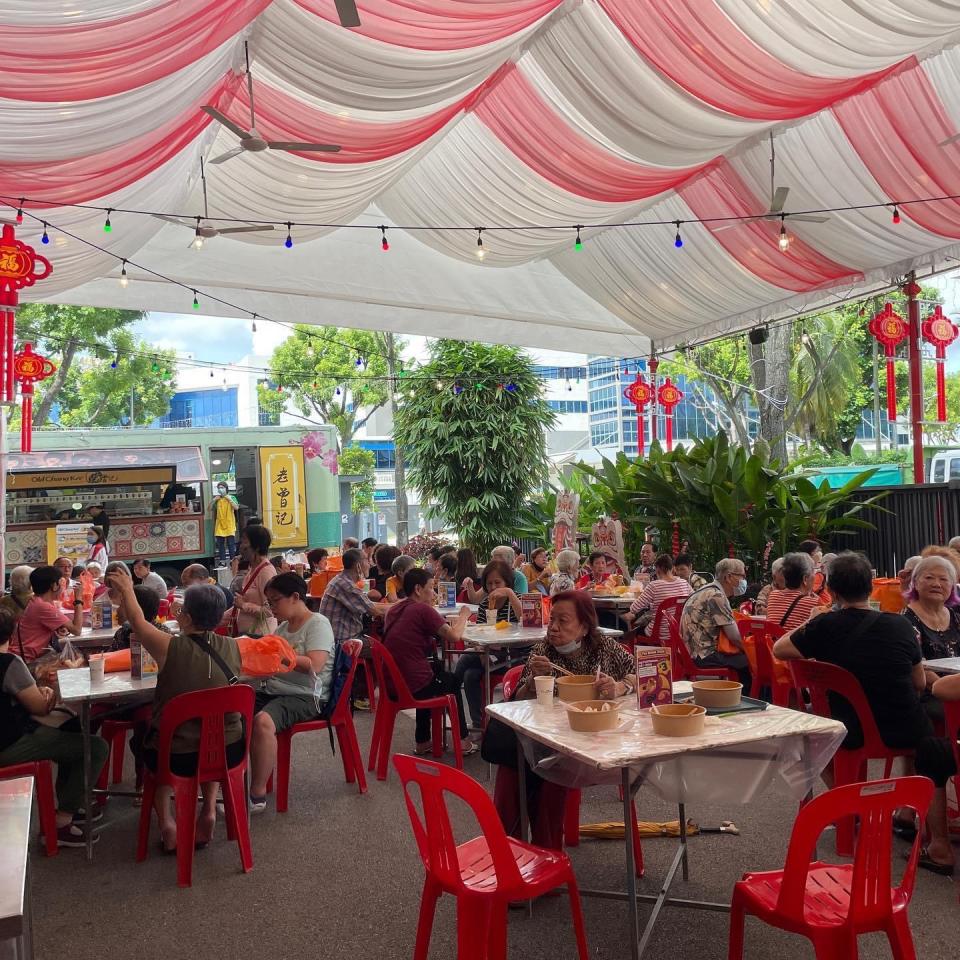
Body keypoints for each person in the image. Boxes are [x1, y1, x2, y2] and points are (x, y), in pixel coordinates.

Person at [772, 552, 949, 874]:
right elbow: (919, 682)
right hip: (905, 726)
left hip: (851, 728)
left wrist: (814, 618)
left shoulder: (825, 625)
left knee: (807, 744)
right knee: (930, 738)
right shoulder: (900, 626)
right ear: (871, 588)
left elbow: (780, 649)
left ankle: (852, 806)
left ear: (833, 591)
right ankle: (927, 832)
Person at [108, 574, 243, 853]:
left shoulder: (169, 647)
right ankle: (208, 810)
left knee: (149, 748)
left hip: (177, 758)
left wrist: (126, 590)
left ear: (187, 616)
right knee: (210, 739)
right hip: (228, 751)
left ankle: (168, 824)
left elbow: (138, 621)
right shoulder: (234, 647)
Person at [491, 591, 636, 849]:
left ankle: (546, 854)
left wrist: (620, 687)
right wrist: (534, 683)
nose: (554, 628)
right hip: (553, 740)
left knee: (547, 771)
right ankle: (509, 849)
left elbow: (642, 674)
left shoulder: (605, 647)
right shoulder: (543, 650)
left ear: (584, 626)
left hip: (601, 742)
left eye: (563, 621)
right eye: (552, 620)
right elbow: (518, 700)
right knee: (517, 770)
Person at [0, 607, 108, 847]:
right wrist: (48, 694)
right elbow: (39, 708)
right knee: (97, 747)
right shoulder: (8, 663)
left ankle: (71, 801)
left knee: (70, 730)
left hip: (9, 736)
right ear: (12, 632)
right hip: (10, 744)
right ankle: (61, 822)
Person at [248, 572, 336, 811]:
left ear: (295, 597)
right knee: (232, 713)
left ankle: (257, 795)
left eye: (275, 601)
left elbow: (315, 665)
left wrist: (278, 656)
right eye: (269, 602)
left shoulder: (318, 623)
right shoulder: (283, 628)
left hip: (306, 695)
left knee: (263, 722)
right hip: (276, 690)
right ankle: (230, 784)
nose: (271, 608)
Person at [382, 568, 476, 757]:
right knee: (451, 681)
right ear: (418, 589)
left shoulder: (395, 609)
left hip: (393, 683)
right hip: (412, 684)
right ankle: (463, 741)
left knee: (434, 674)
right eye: (431, 588)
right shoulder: (422, 609)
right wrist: (464, 615)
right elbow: (454, 635)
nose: (434, 594)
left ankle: (423, 741)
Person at [454, 560, 523, 732]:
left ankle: (451, 691)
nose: (493, 587)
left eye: (498, 583)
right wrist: (478, 648)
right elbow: (480, 633)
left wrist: (510, 594)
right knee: (470, 675)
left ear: (508, 582)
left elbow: (525, 619)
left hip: (513, 657)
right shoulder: (485, 604)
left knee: (464, 662)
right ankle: (479, 725)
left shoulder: (518, 600)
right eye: (489, 583)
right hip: (489, 654)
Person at [902, 555, 960, 725]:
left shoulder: (956, 616)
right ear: (916, 583)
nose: (937, 584)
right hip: (930, 695)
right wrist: (948, 689)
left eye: (944, 579)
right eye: (929, 577)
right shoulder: (906, 620)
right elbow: (919, 670)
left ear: (951, 586)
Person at [679, 558, 749, 684]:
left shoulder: (707, 590)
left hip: (690, 652)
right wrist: (752, 650)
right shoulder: (716, 596)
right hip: (703, 655)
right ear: (728, 577)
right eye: (742, 576)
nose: (744, 581)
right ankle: (750, 699)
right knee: (751, 661)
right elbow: (735, 637)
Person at [318, 548, 389, 645]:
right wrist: (402, 606)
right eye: (366, 560)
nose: (369, 564)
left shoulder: (342, 579)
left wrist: (400, 604)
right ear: (358, 565)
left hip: (345, 637)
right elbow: (374, 610)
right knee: (387, 646)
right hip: (342, 643)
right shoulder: (346, 585)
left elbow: (369, 604)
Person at [15, 566, 84, 663]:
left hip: (21, 657)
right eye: (61, 582)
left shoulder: (36, 600)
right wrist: (78, 599)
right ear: (54, 586)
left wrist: (59, 628)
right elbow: (77, 630)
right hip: (26, 661)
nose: (63, 587)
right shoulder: (43, 606)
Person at [225, 526, 277, 637]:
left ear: (257, 547)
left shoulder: (266, 572)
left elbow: (270, 611)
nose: (240, 547)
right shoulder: (252, 570)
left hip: (260, 637)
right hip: (249, 635)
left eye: (244, 541)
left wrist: (244, 605)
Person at [626, 554, 692, 639]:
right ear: (672, 568)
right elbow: (693, 600)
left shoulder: (654, 585)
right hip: (680, 632)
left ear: (657, 569)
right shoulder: (684, 583)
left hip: (658, 632)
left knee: (633, 631)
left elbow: (634, 608)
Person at [764, 552, 820, 630]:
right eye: (814, 572)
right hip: (795, 642)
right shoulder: (815, 604)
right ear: (805, 579)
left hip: (775, 641)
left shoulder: (773, 595)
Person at [210, 482, 239, 568]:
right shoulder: (217, 499)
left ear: (226, 488)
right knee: (220, 544)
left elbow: (236, 507)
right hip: (219, 525)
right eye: (219, 487)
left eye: (222, 487)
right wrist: (213, 500)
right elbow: (209, 509)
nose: (220, 489)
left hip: (229, 524)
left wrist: (229, 499)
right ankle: (222, 561)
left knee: (231, 543)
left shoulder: (232, 497)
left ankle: (232, 560)